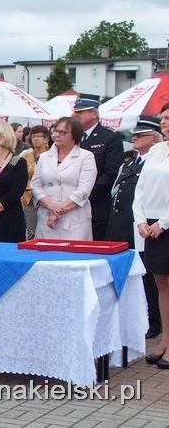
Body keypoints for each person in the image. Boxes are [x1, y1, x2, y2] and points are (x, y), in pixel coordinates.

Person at [106, 116, 163, 339]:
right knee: (125, 274)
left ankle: (153, 321)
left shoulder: (156, 164)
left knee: (147, 277)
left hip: (142, 227)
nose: (135, 137)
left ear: (154, 138)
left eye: (141, 135)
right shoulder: (129, 162)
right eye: (134, 134)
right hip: (121, 226)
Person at [135, 104, 169, 368]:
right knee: (161, 285)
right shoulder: (157, 149)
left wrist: (164, 223)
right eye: (163, 118)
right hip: (151, 224)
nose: (164, 122)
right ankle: (165, 339)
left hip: (166, 223)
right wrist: (141, 220)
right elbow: (141, 189)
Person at [31, 117, 97, 240]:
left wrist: (58, 211)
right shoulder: (43, 157)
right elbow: (35, 186)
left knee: (73, 251)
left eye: (63, 132)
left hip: (74, 220)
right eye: (55, 131)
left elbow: (84, 190)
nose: (57, 135)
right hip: (46, 218)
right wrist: (52, 207)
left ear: (75, 135)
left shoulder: (86, 157)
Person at [73, 93, 124, 240]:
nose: (76, 115)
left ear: (94, 114)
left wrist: (84, 195)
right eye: (76, 112)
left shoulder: (110, 137)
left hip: (96, 204)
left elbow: (110, 173)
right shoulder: (74, 137)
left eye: (80, 112)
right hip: (71, 204)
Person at [19, 125, 51, 239]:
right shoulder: (25, 155)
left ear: (46, 139)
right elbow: (21, 176)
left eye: (39, 136)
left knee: (47, 229)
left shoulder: (53, 155)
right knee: (31, 230)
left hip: (48, 198)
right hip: (29, 198)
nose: (35, 139)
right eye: (33, 137)